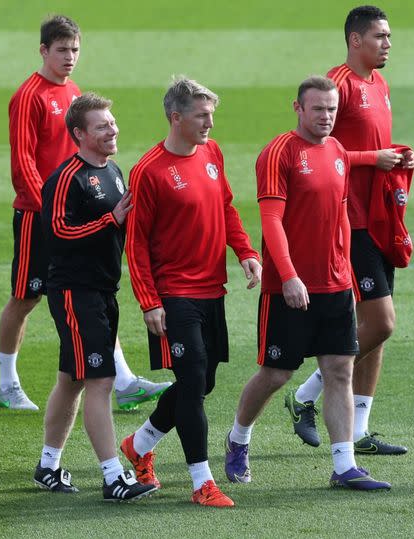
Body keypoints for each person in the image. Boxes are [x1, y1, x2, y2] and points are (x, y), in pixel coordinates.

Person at [224, 76, 391, 491]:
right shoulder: (278, 153)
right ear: (298, 108)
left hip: (335, 286)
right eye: (318, 109)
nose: (326, 116)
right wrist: (289, 275)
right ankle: (238, 438)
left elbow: (339, 220)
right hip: (290, 290)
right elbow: (271, 221)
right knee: (276, 374)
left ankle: (344, 465)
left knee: (338, 370)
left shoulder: (335, 150)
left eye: (332, 109)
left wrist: (347, 276)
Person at [0, 14, 167, 411]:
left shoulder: (74, 92)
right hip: (39, 215)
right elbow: (23, 161)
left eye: (75, 49)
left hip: (76, 212)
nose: (70, 57)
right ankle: (7, 383)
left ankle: (122, 380)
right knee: (26, 297)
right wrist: (49, 213)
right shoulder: (28, 96)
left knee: (93, 289)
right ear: (43, 50)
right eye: (62, 50)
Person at [121, 78, 260, 508]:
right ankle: (202, 482)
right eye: (201, 116)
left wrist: (244, 252)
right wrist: (149, 302)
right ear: (175, 117)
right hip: (174, 293)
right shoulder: (149, 170)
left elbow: (226, 206)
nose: (209, 123)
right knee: (193, 380)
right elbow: (136, 242)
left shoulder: (212, 153)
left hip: (210, 289)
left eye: (211, 115)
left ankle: (139, 444)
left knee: (204, 380)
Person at [284, 5, 414, 455]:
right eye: (380, 36)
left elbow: (368, 148)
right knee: (381, 322)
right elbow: (317, 147)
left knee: (373, 328)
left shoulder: (379, 84)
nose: (388, 44)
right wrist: (371, 159)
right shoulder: (336, 83)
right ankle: (304, 395)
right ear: (355, 40)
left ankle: (359, 430)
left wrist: (395, 158)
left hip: (379, 217)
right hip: (349, 220)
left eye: (389, 36)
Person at [34, 92, 156, 502]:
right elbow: (56, 234)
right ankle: (113, 476)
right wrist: (110, 220)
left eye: (112, 122)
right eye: (102, 125)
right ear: (79, 134)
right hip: (75, 291)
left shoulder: (113, 170)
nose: (112, 129)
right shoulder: (66, 177)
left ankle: (48, 466)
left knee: (72, 380)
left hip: (103, 290)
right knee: (100, 380)